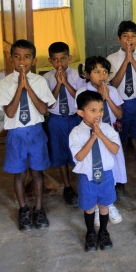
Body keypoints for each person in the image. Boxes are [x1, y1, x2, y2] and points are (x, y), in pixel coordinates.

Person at [0, 39, 56, 231]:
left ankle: (38, 208)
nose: (22, 61)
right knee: (19, 173)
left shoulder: (39, 81)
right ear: (11, 59)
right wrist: (19, 87)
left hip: (36, 132)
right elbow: (11, 113)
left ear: (34, 60)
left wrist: (28, 87)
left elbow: (44, 109)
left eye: (27, 57)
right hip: (16, 134)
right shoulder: (4, 84)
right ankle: (23, 209)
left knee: (37, 172)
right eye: (17, 56)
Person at [69, 90, 122, 251]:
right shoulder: (76, 133)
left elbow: (115, 149)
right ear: (81, 112)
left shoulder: (107, 128)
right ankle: (91, 233)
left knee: (105, 205)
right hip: (87, 177)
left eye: (101, 110)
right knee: (89, 207)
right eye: (93, 110)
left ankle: (104, 232)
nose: (98, 114)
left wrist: (101, 135)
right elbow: (78, 156)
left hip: (106, 175)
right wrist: (92, 137)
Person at [77, 56, 125, 226]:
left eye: (105, 71)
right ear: (87, 74)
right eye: (97, 72)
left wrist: (107, 98)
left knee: (110, 169)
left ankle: (108, 203)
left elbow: (119, 114)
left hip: (109, 136)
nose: (102, 75)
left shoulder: (112, 90)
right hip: (91, 136)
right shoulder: (82, 92)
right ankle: (96, 207)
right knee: (95, 166)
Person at [43, 41, 86, 207]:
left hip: (75, 118)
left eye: (63, 59)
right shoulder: (47, 78)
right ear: (50, 61)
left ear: (69, 58)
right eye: (55, 60)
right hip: (56, 120)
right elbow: (48, 104)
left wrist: (66, 83)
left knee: (78, 152)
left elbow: (81, 100)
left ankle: (81, 185)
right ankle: (67, 187)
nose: (59, 63)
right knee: (60, 153)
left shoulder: (77, 75)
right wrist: (58, 84)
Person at [107, 20, 136, 164]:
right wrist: (126, 61)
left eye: (133, 36)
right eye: (125, 36)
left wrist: (133, 60)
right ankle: (120, 175)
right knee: (120, 139)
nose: (129, 39)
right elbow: (113, 84)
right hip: (119, 105)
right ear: (119, 38)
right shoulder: (112, 59)